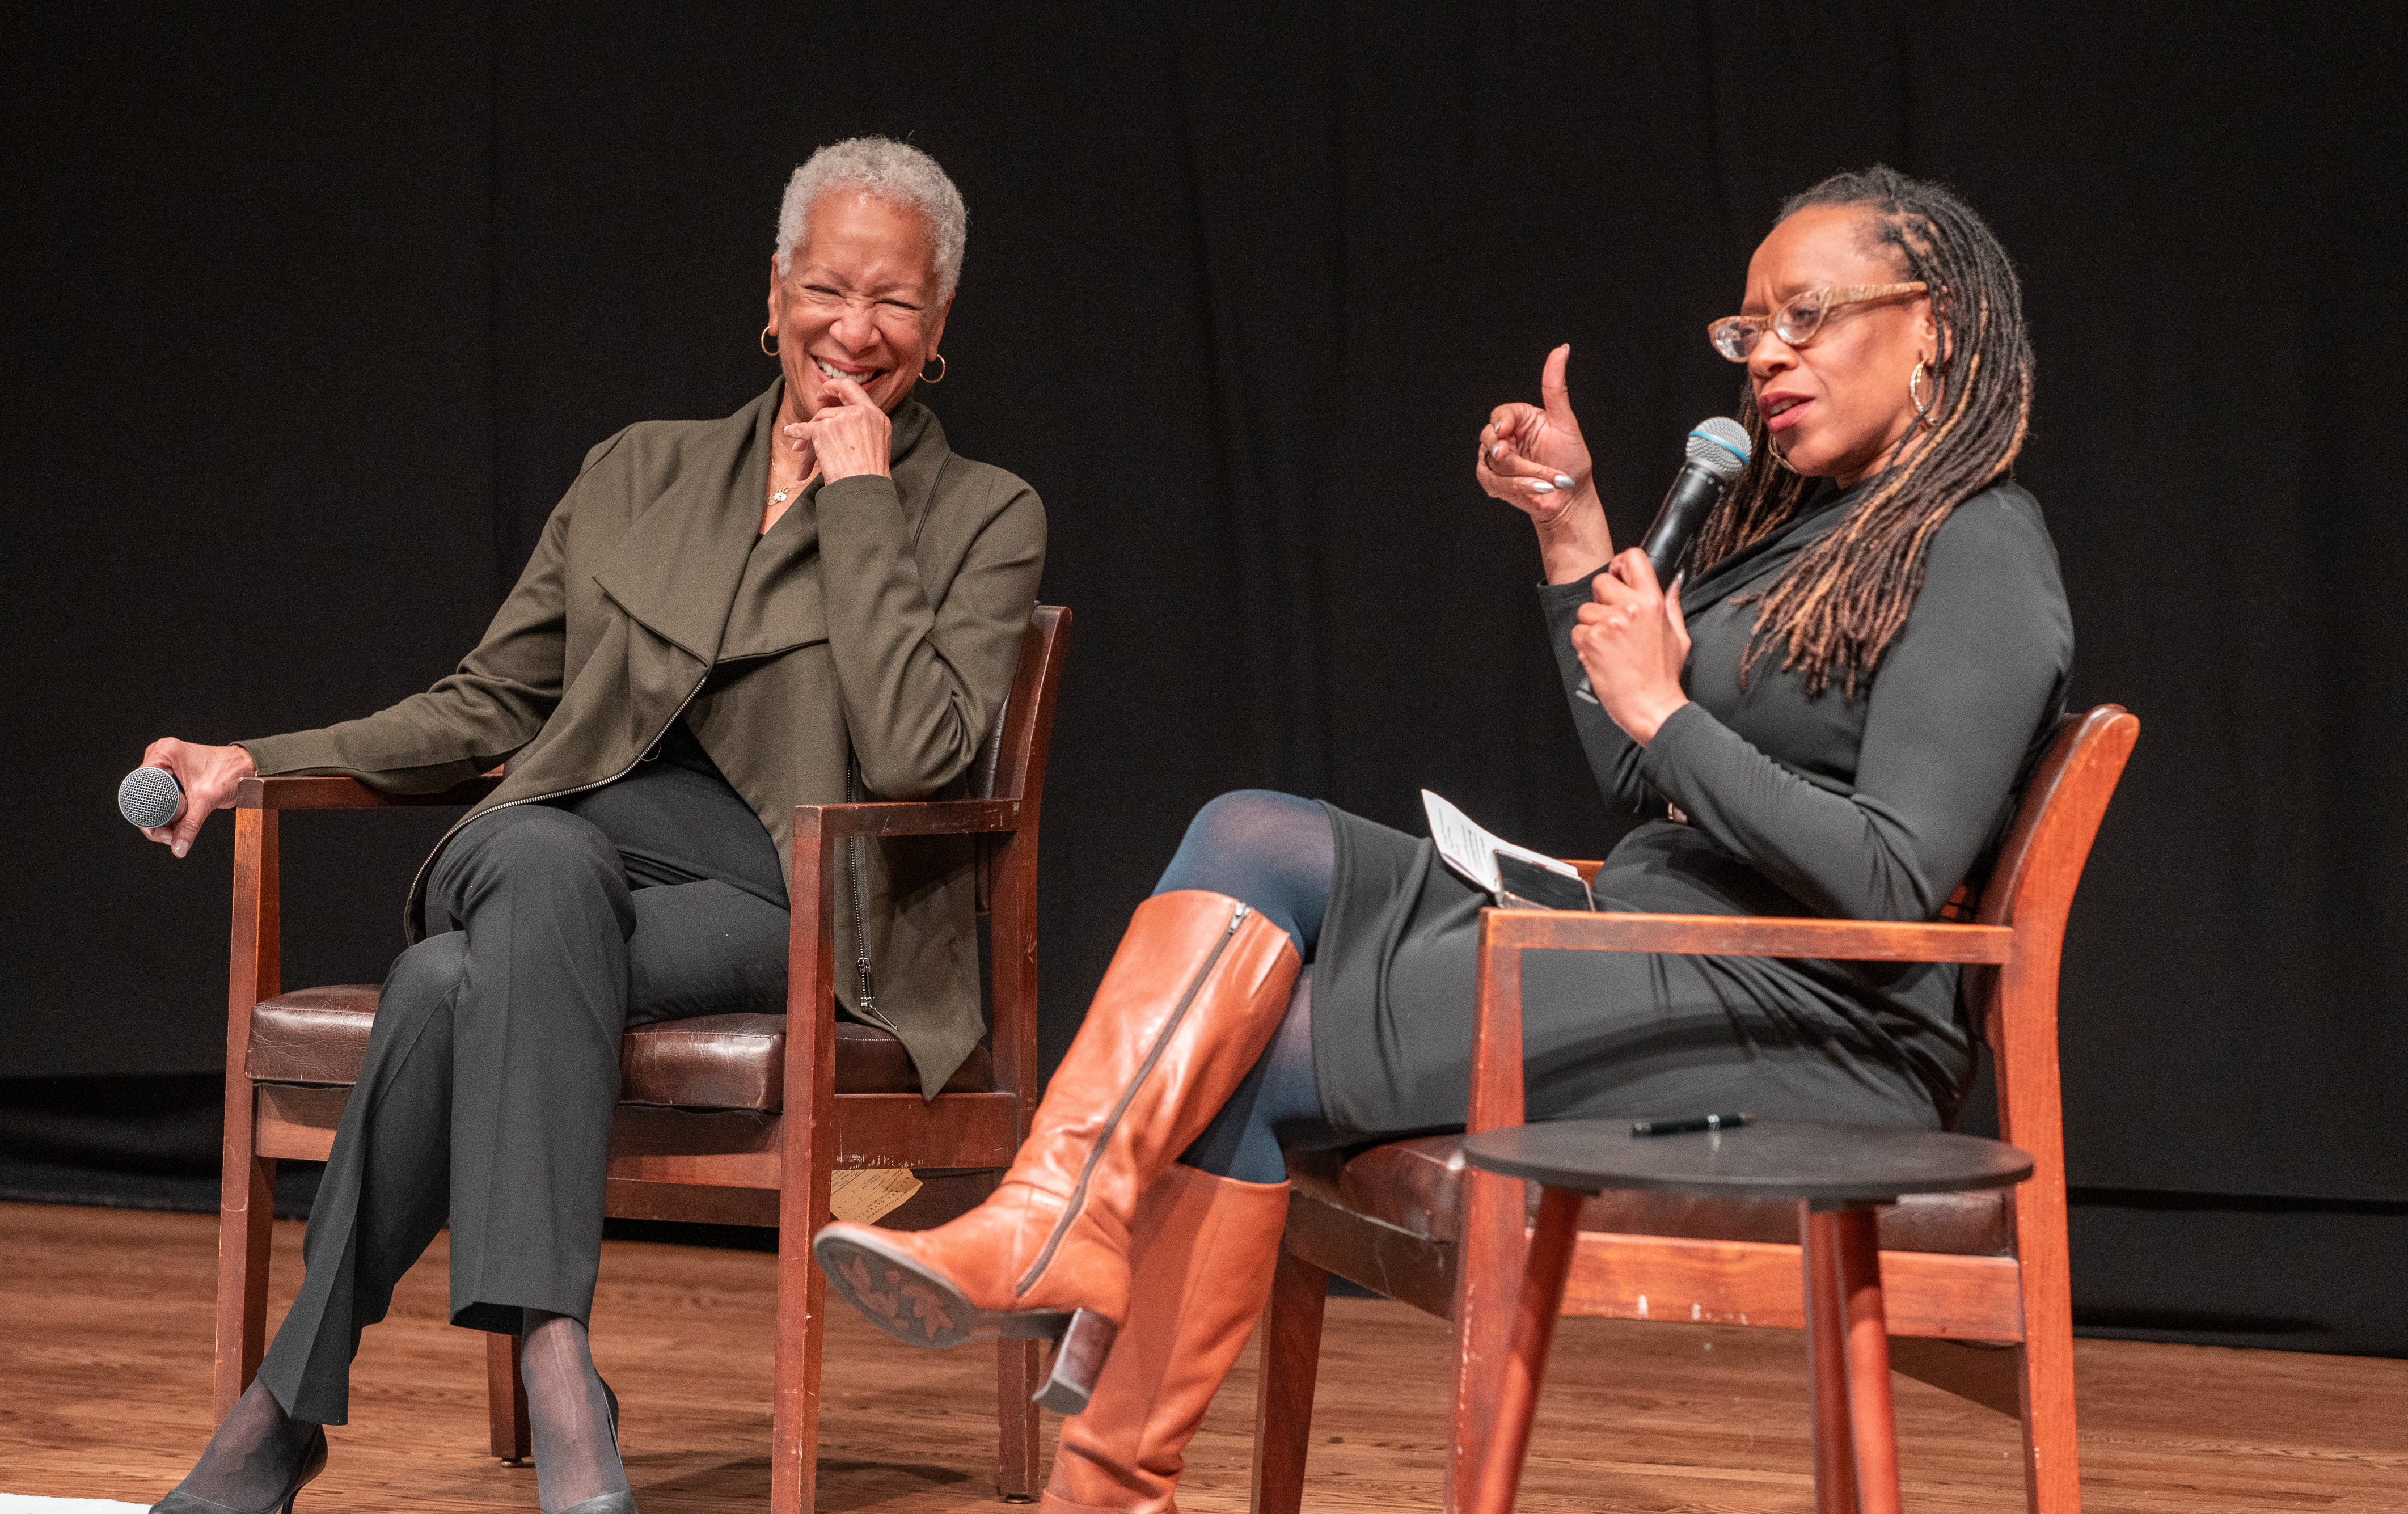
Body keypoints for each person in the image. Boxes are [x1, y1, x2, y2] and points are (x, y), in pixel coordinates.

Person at [814, 166, 2072, 1513]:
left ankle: (1091, 1425)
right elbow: (1642, 792)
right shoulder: (1800, 530)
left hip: (1809, 1022)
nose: (1766, 354)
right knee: (1254, 831)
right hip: (1655, 943)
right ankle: (1050, 1235)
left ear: (1934, 322)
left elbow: (1885, 876)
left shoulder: (1978, 547)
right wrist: (1572, 531)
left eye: (1806, 316)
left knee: (1251, 1043)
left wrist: (1664, 705)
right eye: (1748, 328)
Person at [138, 136, 1046, 1514]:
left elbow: (925, 757)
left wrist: (861, 496)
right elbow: (486, 704)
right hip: (569, 850)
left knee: (453, 978)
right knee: (542, 853)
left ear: (942, 323)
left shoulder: (983, 513)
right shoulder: (637, 472)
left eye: (896, 302)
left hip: (791, 898)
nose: (854, 331)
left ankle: (283, 1411)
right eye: (825, 289)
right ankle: (562, 1378)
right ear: (772, 292)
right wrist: (251, 757)